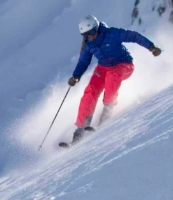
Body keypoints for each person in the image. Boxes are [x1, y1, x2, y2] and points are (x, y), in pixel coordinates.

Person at [67, 15, 161, 144]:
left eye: (92, 33)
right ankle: (80, 130)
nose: (90, 37)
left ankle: (107, 111)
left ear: (97, 28)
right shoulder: (89, 44)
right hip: (103, 68)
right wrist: (76, 76)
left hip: (124, 65)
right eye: (86, 36)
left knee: (113, 75)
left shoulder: (112, 33)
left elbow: (133, 36)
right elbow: (84, 61)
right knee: (90, 91)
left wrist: (151, 47)